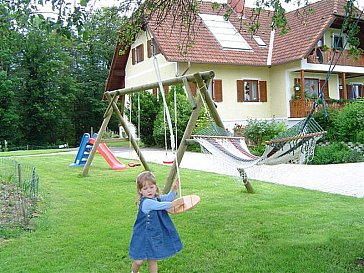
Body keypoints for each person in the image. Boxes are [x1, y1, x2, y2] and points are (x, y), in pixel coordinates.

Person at [129, 171, 184, 273]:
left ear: (155, 187)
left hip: (153, 234)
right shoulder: (147, 202)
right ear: (140, 191)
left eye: (151, 187)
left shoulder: (156, 198)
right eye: (145, 189)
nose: (149, 190)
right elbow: (165, 205)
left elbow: (167, 198)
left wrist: (174, 189)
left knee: (152, 258)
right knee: (138, 261)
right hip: (142, 235)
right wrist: (177, 203)